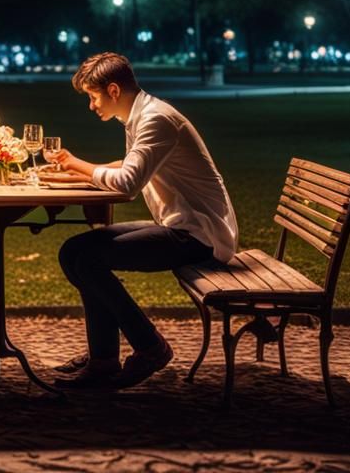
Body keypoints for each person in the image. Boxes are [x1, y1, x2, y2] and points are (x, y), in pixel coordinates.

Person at [51, 52, 238, 390]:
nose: (91, 106)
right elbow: (128, 166)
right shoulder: (140, 116)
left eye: (92, 97)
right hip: (180, 226)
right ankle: (103, 359)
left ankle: (149, 347)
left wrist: (78, 164)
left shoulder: (157, 119)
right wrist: (68, 175)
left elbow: (128, 184)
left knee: (89, 259)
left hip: (200, 236)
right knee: (73, 251)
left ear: (111, 90)